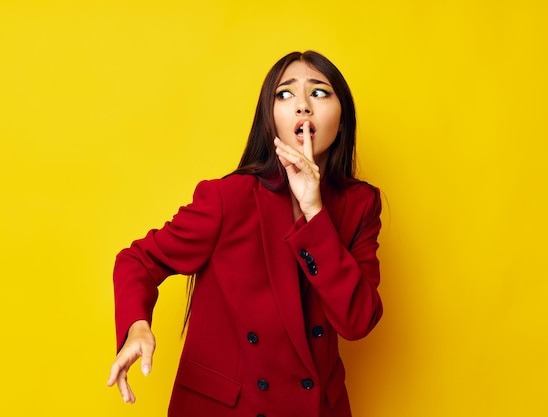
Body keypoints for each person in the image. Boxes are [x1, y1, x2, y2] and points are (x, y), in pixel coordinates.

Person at [107, 50, 383, 417]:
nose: (303, 105)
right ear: (269, 121)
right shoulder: (229, 198)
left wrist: (315, 212)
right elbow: (138, 260)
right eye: (285, 94)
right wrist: (137, 326)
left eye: (319, 92)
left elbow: (358, 320)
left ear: (342, 119)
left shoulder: (360, 204)